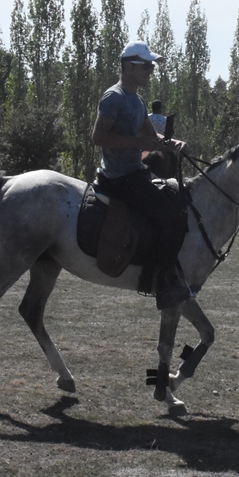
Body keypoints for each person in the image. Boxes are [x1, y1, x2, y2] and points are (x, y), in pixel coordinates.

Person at [91, 42, 186, 308]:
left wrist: (170, 143)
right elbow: (99, 137)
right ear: (130, 66)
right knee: (171, 216)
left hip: (135, 172)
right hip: (118, 178)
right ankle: (162, 282)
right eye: (146, 65)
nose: (151, 70)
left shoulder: (138, 100)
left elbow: (149, 135)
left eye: (151, 65)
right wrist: (139, 143)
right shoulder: (114, 97)